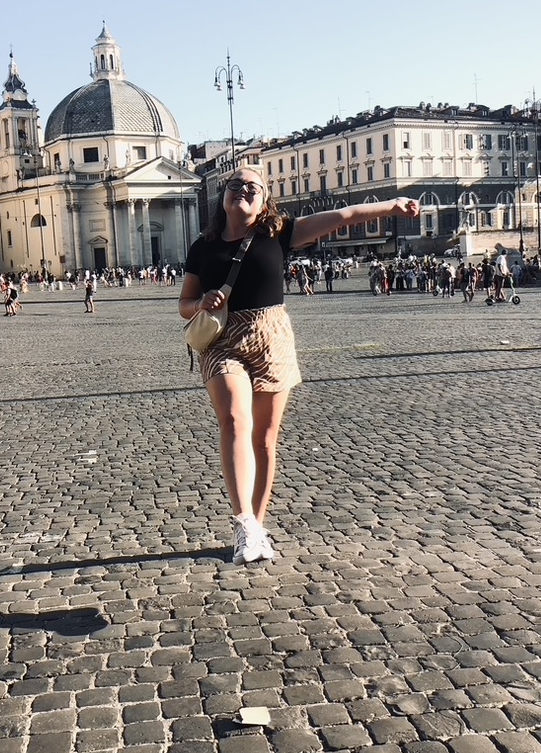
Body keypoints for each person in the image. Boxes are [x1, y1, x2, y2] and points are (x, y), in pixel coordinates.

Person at [178, 166, 419, 565]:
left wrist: (392, 206)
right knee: (236, 421)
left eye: (254, 187)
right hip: (223, 342)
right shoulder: (202, 247)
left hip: (272, 337)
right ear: (224, 196)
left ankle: (257, 526)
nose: (244, 190)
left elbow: (345, 216)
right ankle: (244, 525)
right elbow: (184, 305)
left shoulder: (281, 232)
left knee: (266, 439)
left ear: (265, 199)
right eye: (237, 184)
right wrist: (200, 303)